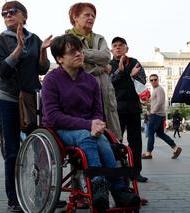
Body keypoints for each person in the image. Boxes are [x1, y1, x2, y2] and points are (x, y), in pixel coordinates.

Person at [42, 34, 141, 211]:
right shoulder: (51, 80)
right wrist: (89, 125)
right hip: (60, 129)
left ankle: (117, 190)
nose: (79, 54)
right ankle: (101, 186)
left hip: (89, 129)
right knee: (88, 136)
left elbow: (98, 110)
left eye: (79, 50)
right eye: (72, 52)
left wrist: (98, 124)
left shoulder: (90, 80)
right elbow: (52, 116)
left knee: (102, 138)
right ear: (59, 59)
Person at [0, 1, 52, 211]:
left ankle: (42, 194)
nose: (7, 15)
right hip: (8, 97)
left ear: (24, 16)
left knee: (39, 147)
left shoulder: (34, 39)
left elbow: (42, 69)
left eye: (12, 12)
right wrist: (18, 49)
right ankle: (14, 198)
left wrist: (42, 51)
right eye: (4, 13)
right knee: (13, 150)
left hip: (31, 97)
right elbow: (1, 69)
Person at [65, 2, 122, 140]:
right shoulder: (67, 39)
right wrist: (102, 68)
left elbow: (106, 56)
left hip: (105, 90)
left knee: (111, 133)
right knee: (90, 131)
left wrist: (83, 53)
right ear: (75, 17)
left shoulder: (99, 38)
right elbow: (78, 66)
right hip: (83, 88)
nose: (91, 18)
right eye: (87, 15)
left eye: (93, 16)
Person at [110, 36, 148, 183]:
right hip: (116, 109)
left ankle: (136, 172)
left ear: (127, 48)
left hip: (133, 108)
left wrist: (134, 75)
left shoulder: (134, 62)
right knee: (116, 142)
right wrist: (120, 72)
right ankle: (119, 171)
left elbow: (143, 81)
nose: (118, 47)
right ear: (112, 49)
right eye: (115, 45)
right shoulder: (109, 64)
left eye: (121, 45)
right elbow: (108, 83)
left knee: (136, 142)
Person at [142, 74, 182, 159]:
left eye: (155, 79)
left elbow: (160, 102)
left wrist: (153, 112)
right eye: (151, 80)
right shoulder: (155, 90)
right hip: (159, 115)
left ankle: (148, 153)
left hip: (156, 115)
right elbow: (155, 102)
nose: (153, 81)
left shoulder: (159, 89)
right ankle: (175, 148)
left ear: (158, 80)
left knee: (151, 134)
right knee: (160, 134)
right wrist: (147, 103)